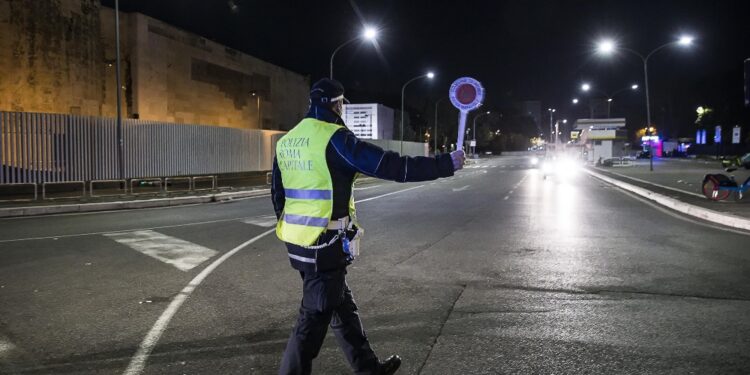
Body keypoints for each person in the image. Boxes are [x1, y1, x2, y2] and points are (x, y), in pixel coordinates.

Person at [272, 78, 465, 375]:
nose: (342, 109)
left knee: (342, 307)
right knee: (311, 321)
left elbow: (277, 194)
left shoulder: (288, 140)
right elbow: (390, 165)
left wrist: (295, 231)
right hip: (324, 243)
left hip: (299, 242)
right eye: (342, 104)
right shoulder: (335, 138)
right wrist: (443, 164)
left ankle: (368, 368)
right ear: (336, 104)